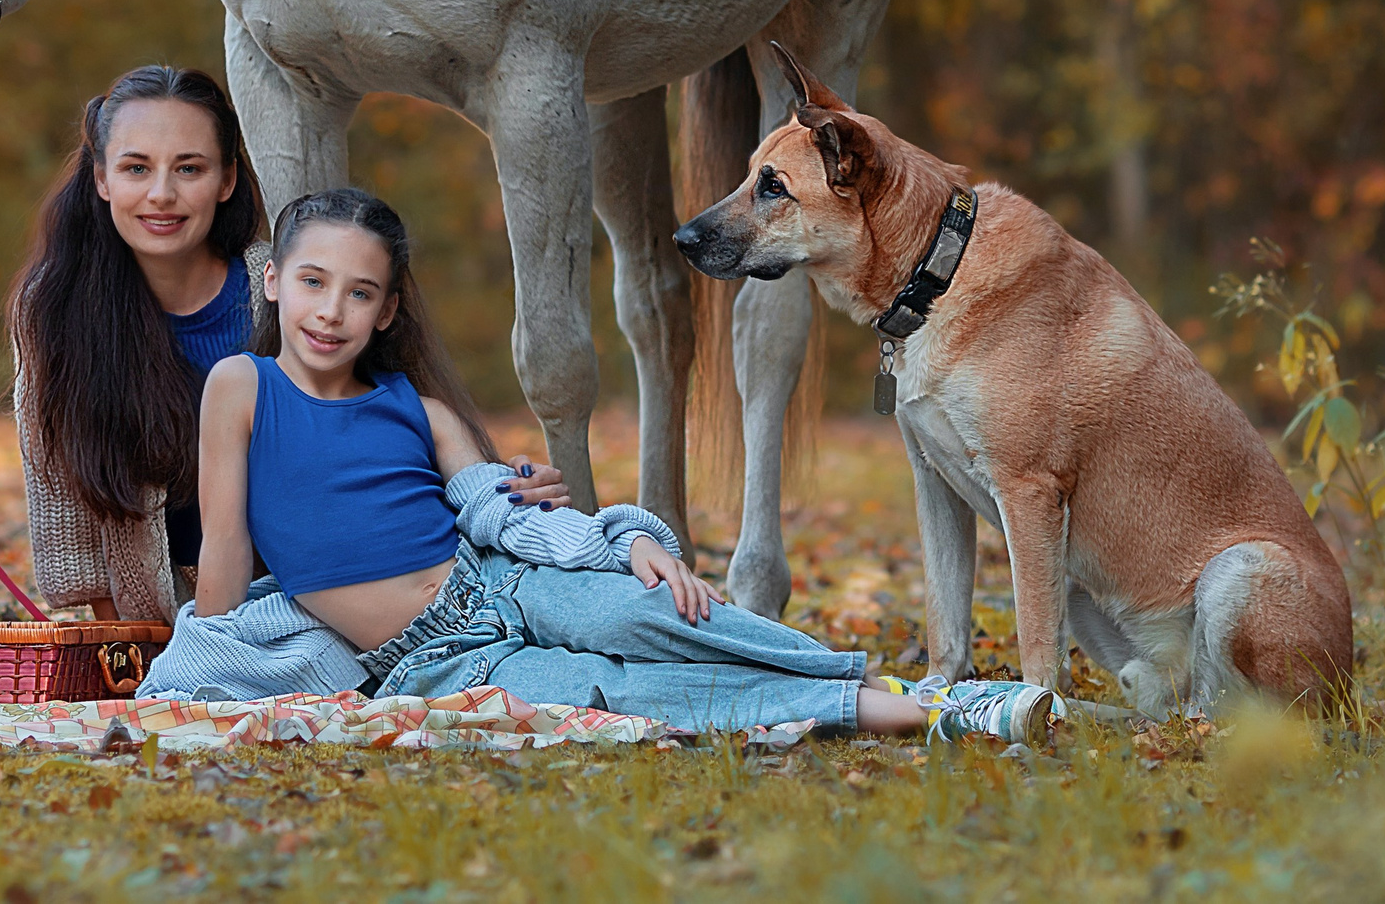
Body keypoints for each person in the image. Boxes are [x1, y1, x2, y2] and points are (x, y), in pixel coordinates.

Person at [143, 186, 1038, 737]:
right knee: (616, 690)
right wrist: (205, 654)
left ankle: (918, 692)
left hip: (501, 582)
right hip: (439, 663)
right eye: (312, 282)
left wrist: (628, 543)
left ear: (386, 311)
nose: (330, 309)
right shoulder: (241, 384)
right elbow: (223, 538)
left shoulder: (415, 406)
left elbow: (505, 515)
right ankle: (891, 710)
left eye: (359, 291)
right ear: (272, 281)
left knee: (659, 613)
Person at [9, 67, 568, 623]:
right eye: (136, 168)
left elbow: (398, 426)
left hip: (341, 595)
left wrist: (496, 486)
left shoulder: (286, 286)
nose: (162, 194)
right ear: (102, 179)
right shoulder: (54, 310)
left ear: (226, 180)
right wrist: (130, 640)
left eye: (189, 168)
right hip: (164, 619)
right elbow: (63, 501)